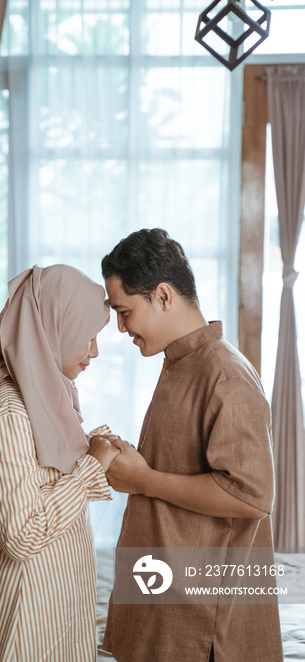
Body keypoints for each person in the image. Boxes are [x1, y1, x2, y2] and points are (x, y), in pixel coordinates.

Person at [99, 228, 283, 662]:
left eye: (124, 312)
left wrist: (144, 479)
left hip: (199, 620)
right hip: (163, 591)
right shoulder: (181, 361)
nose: (121, 327)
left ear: (163, 296)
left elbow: (253, 496)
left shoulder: (225, 374)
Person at [0, 264, 120, 662]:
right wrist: (91, 467)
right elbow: (24, 535)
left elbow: (50, 473)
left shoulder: (44, 400)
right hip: (18, 627)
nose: (94, 351)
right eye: (88, 336)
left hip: (49, 616)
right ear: (55, 327)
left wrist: (96, 449)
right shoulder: (10, 416)